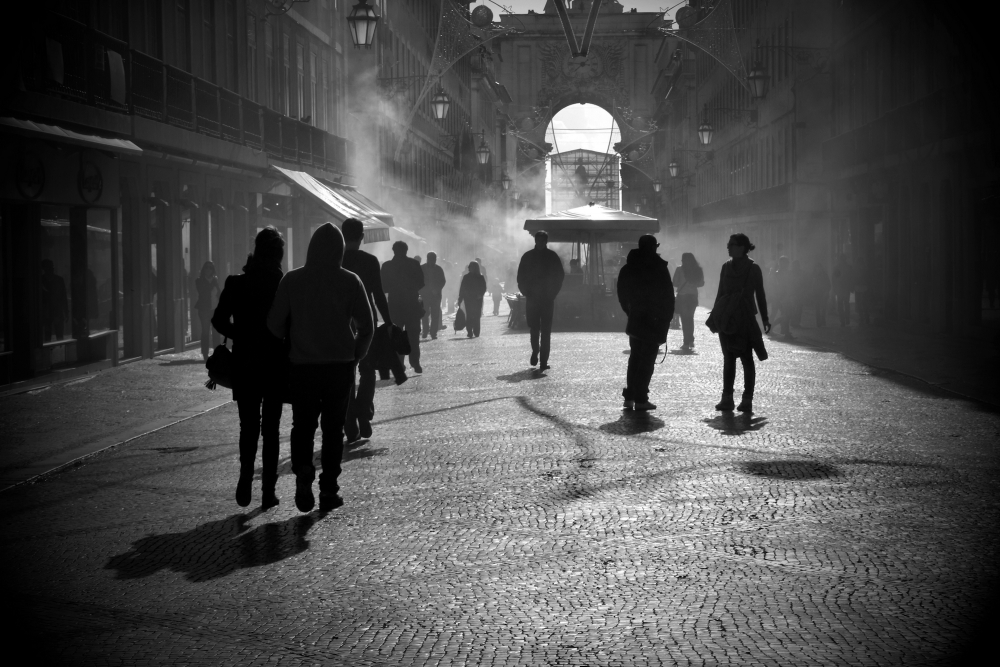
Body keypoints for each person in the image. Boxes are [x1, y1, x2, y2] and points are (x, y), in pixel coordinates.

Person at [267, 223, 373, 513]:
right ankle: (328, 489)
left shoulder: (292, 280)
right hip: (340, 366)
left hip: (303, 366)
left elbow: (274, 325)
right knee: (333, 429)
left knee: (303, 426)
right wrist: (356, 355)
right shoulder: (351, 281)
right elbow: (367, 326)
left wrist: (293, 335)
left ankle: (303, 469)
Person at [212, 227, 286, 509]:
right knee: (271, 428)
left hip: (245, 363)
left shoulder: (236, 283)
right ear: (278, 255)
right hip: (275, 364)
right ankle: (268, 490)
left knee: (249, 426)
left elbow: (218, 320)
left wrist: (240, 335)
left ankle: (245, 479)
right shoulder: (282, 285)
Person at [341, 218, 404, 444]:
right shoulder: (369, 261)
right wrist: (388, 323)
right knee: (367, 371)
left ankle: (350, 423)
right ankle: (363, 410)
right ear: (362, 237)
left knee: (346, 374)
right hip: (365, 323)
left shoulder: (336, 259)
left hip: (341, 324)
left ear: (342, 234)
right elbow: (378, 295)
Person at [712, 233, 770, 414]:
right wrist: (715, 316)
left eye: (732, 244)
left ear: (742, 247)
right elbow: (720, 293)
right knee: (729, 358)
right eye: (728, 244)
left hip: (745, 319)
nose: (728, 247)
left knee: (746, 358)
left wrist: (765, 317)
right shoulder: (725, 267)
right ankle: (727, 398)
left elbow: (760, 294)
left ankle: (747, 399)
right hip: (727, 318)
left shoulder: (753, 268)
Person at [617, 235, 675, 411]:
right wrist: (666, 317)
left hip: (636, 318)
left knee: (635, 357)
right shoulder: (658, 267)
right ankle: (641, 398)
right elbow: (667, 295)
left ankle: (630, 396)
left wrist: (629, 311)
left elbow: (622, 293)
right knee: (648, 359)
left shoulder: (629, 267)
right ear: (654, 247)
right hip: (654, 320)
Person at [517, 231, 565, 370]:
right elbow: (520, 277)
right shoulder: (534, 256)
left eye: (542, 241)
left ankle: (543, 360)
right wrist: (527, 292)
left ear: (545, 242)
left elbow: (559, 276)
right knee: (535, 328)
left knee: (544, 330)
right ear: (536, 241)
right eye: (539, 241)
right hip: (536, 298)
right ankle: (536, 351)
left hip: (545, 298)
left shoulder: (546, 256)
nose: (540, 243)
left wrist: (552, 293)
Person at [381, 241, 425, 373]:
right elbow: (421, 283)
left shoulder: (387, 266)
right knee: (414, 335)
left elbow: (383, 286)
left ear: (393, 250)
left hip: (395, 305)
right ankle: (415, 362)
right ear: (406, 250)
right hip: (412, 304)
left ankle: (399, 364)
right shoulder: (414, 264)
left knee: (397, 336)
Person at [672, 252, 704, 352]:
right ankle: (690, 339)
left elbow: (675, 282)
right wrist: (693, 283)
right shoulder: (698, 269)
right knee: (690, 318)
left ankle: (686, 342)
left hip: (683, 296)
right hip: (693, 296)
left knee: (685, 319)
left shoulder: (679, 269)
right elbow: (701, 283)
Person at [194, 261, 220, 360]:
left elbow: (218, 293)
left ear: (213, 270)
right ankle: (205, 354)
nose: (208, 269)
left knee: (216, 332)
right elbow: (202, 292)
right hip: (204, 310)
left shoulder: (215, 280)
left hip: (215, 309)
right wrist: (213, 282)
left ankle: (217, 353)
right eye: (206, 267)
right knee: (205, 332)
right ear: (204, 269)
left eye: (210, 268)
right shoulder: (199, 280)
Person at [420, 252, 447, 339]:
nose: (432, 261)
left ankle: (433, 332)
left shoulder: (439, 269)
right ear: (427, 259)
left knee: (435, 315)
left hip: (436, 295)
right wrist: (421, 291)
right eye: (431, 259)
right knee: (424, 314)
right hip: (425, 295)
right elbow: (418, 280)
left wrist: (437, 289)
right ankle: (425, 331)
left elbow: (443, 281)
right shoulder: (422, 268)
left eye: (434, 259)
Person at [40, 259, 69, 341]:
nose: (52, 268)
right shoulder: (58, 280)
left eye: (51, 266)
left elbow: (63, 297)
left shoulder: (43, 280)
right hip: (50, 312)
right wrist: (66, 312)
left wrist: (66, 311)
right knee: (52, 335)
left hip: (52, 312)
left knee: (52, 335)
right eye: (50, 267)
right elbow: (63, 297)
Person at [458, 261, 487, 337]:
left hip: (477, 299)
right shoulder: (466, 277)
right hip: (468, 299)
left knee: (477, 315)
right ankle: (469, 331)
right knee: (469, 315)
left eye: (470, 266)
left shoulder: (480, 277)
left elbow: (483, 288)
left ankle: (476, 331)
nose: (469, 268)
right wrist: (460, 298)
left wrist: (480, 294)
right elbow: (462, 289)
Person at [773, 256, 794, 339]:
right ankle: (774, 327)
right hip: (783, 295)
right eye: (786, 263)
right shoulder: (779, 273)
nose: (787, 264)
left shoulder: (783, 272)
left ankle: (785, 331)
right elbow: (782, 285)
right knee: (786, 315)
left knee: (786, 315)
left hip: (785, 295)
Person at [832, 254, 854, 327]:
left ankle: (842, 321)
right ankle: (847, 319)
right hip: (846, 289)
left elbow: (834, 279)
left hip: (839, 289)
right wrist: (851, 287)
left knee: (840, 305)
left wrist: (834, 289)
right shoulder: (849, 267)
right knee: (847, 304)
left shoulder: (836, 267)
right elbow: (851, 278)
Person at [812, 262, 830, 327]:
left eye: (819, 267)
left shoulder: (824, 275)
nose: (818, 268)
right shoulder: (814, 275)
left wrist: (826, 291)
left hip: (823, 293)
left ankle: (823, 320)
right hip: (816, 294)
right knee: (817, 308)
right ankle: (818, 322)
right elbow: (812, 285)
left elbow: (828, 284)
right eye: (817, 267)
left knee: (823, 308)